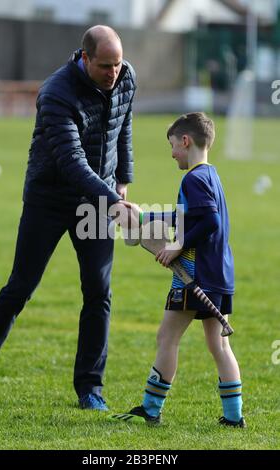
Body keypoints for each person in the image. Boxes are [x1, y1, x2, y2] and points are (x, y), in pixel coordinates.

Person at [0, 25, 136, 410]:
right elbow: (71, 161)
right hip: (49, 198)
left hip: (98, 200)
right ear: (85, 58)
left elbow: (122, 128)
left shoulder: (126, 76)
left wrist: (124, 179)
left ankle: (90, 390)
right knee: (20, 288)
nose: (113, 72)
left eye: (117, 64)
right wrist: (111, 198)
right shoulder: (56, 92)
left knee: (99, 294)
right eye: (105, 66)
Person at [112, 112, 246, 427]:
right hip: (219, 275)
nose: (172, 153)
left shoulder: (193, 178)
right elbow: (190, 215)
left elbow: (209, 221)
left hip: (193, 275)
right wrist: (145, 217)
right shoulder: (211, 175)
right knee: (219, 345)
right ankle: (233, 417)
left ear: (185, 141)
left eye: (173, 145)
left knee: (166, 337)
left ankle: (151, 409)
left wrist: (177, 245)